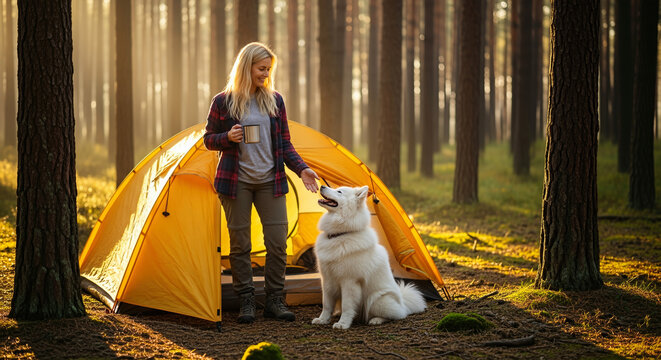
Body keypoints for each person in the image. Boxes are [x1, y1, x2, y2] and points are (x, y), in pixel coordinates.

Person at [203, 42, 319, 324]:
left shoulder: (275, 100)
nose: (266, 74)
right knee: (240, 244)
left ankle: (275, 300)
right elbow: (208, 139)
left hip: (271, 181)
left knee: (278, 243)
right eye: (261, 68)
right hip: (235, 183)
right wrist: (226, 138)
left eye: (268, 69)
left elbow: (285, 143)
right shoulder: (223, 102)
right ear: (247, 67)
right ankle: (246, 301)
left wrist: (302, 169)